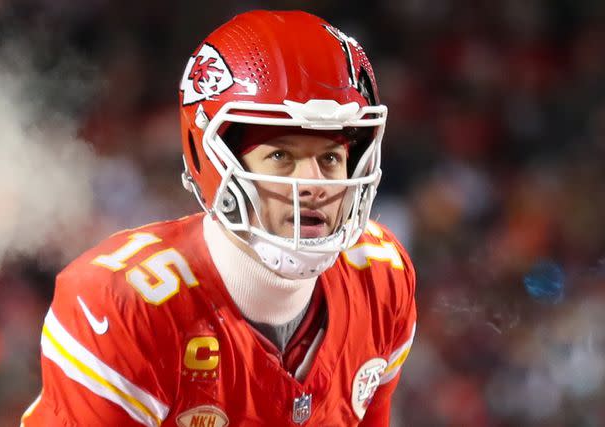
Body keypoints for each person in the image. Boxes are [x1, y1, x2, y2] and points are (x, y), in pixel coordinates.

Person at [21, 10, 416, 427]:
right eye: (282, 156)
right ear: (211, 159)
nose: (314, 184)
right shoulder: (123, 306)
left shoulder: (380, 277)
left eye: (331, 157)